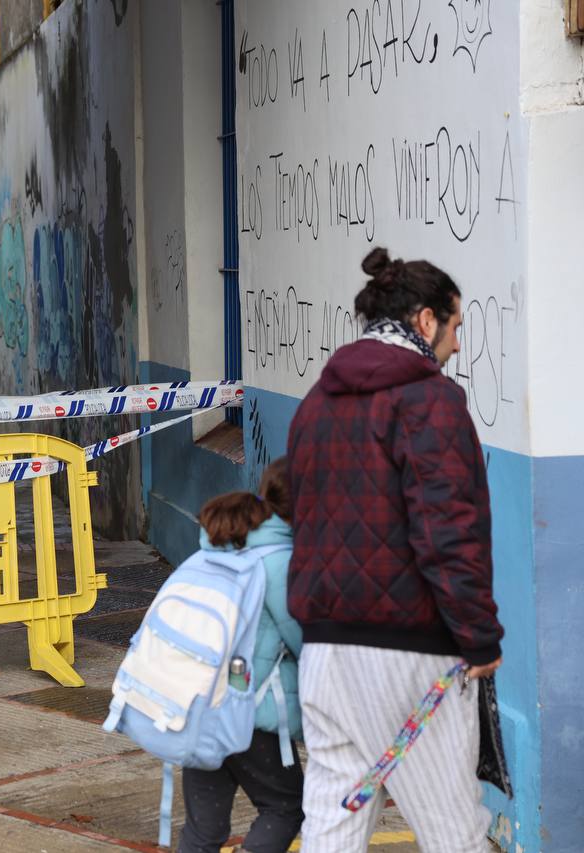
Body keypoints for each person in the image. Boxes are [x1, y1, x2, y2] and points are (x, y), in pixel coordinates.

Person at [286, 247, 504, 852]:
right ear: (426, 321)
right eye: (456, 326)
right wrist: (479, 636)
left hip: (325, 655)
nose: (458, 345)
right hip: (408, 653)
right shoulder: (431, 401)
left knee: (332, 828)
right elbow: (447, 531)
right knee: (455, 833)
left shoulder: (315, 405)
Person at [179, 457, 304, 853]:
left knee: (203, 831)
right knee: (285, 806)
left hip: (199, 705)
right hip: (252, 716)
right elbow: (306, 642)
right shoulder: (280, 561)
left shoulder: (214, 550)